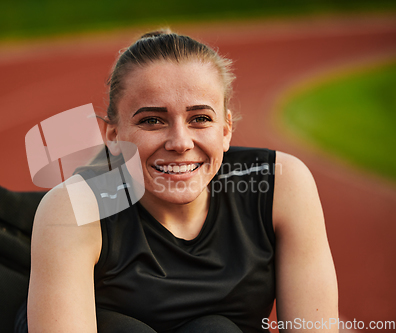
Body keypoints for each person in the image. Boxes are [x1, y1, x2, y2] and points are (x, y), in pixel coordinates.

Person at [24, 30, 338, 332]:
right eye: (151, 120)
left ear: (226, 129)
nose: (180, 142)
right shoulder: (77, 207)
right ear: (113, 136)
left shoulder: (279, 183)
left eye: (200, 118)